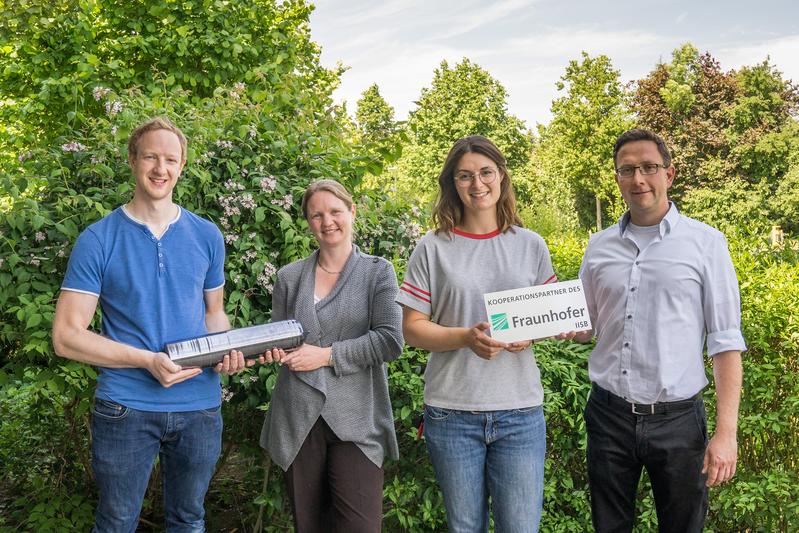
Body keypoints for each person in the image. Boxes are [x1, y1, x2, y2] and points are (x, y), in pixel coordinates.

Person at [52, 117, 252, 532]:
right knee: (116, 523)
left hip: (199, 405)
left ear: (182, 167)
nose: (161, 168)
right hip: (126, 407)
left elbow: (214, 312)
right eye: (151, 157)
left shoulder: (206, 235)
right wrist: (147, 361)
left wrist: (226, 351)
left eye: (171, 159)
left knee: (189, 520)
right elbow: (67, 337)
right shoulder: (99, 239)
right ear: (132, 161)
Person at [564, 128, 746, 532]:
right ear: (617, 179)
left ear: (670, 174)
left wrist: (726, 433)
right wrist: (544, 320)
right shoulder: (599, 246)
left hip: (679, 421)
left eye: (649, 167)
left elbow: (725, 341)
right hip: (608, 415)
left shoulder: (706, 244)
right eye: (627, 170)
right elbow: (586, 324)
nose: (638, 179)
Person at [398, 136, 556, 533]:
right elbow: (412, 329)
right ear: (452, 183)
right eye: (464, 176)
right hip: (453, 411)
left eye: (486, 172)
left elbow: (550, 318)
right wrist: (465, 338)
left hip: (520, 412)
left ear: (501, 176)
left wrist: (530, 336)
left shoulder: (531, 245)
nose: (477, 183)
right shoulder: (433, 247)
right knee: (465, 528)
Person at [259, 179, 403, 533]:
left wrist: (325, 356)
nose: (327, 222)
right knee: (309, 526)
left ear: (352, 212)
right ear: (308, 222)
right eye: (316, 215)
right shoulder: (289, 277)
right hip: (297, 419)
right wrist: (269, 352)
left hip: (356, 419)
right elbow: (281, 339)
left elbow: (390, 341)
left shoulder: (378, 272)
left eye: (335, 211)